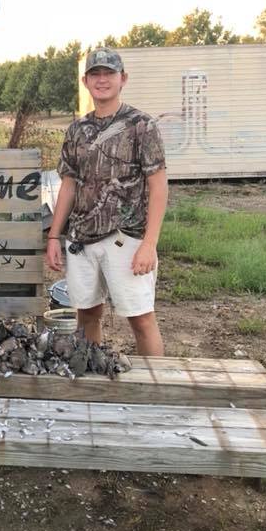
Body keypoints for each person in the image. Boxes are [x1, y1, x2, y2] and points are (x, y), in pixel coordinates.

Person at [46, 47, 168, 356]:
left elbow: (158, 187)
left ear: (122, 79)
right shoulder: (77, 130)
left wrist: (149, 244)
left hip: (126, 239)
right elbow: (69, 186)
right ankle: (95, 381)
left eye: (109, 74)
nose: (102, 80)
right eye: (95, 74)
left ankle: (155, 394)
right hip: (82, 241)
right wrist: (53, 236)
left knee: (141, 319)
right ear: (85, 81)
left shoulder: (141, 125)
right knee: (87, 315)